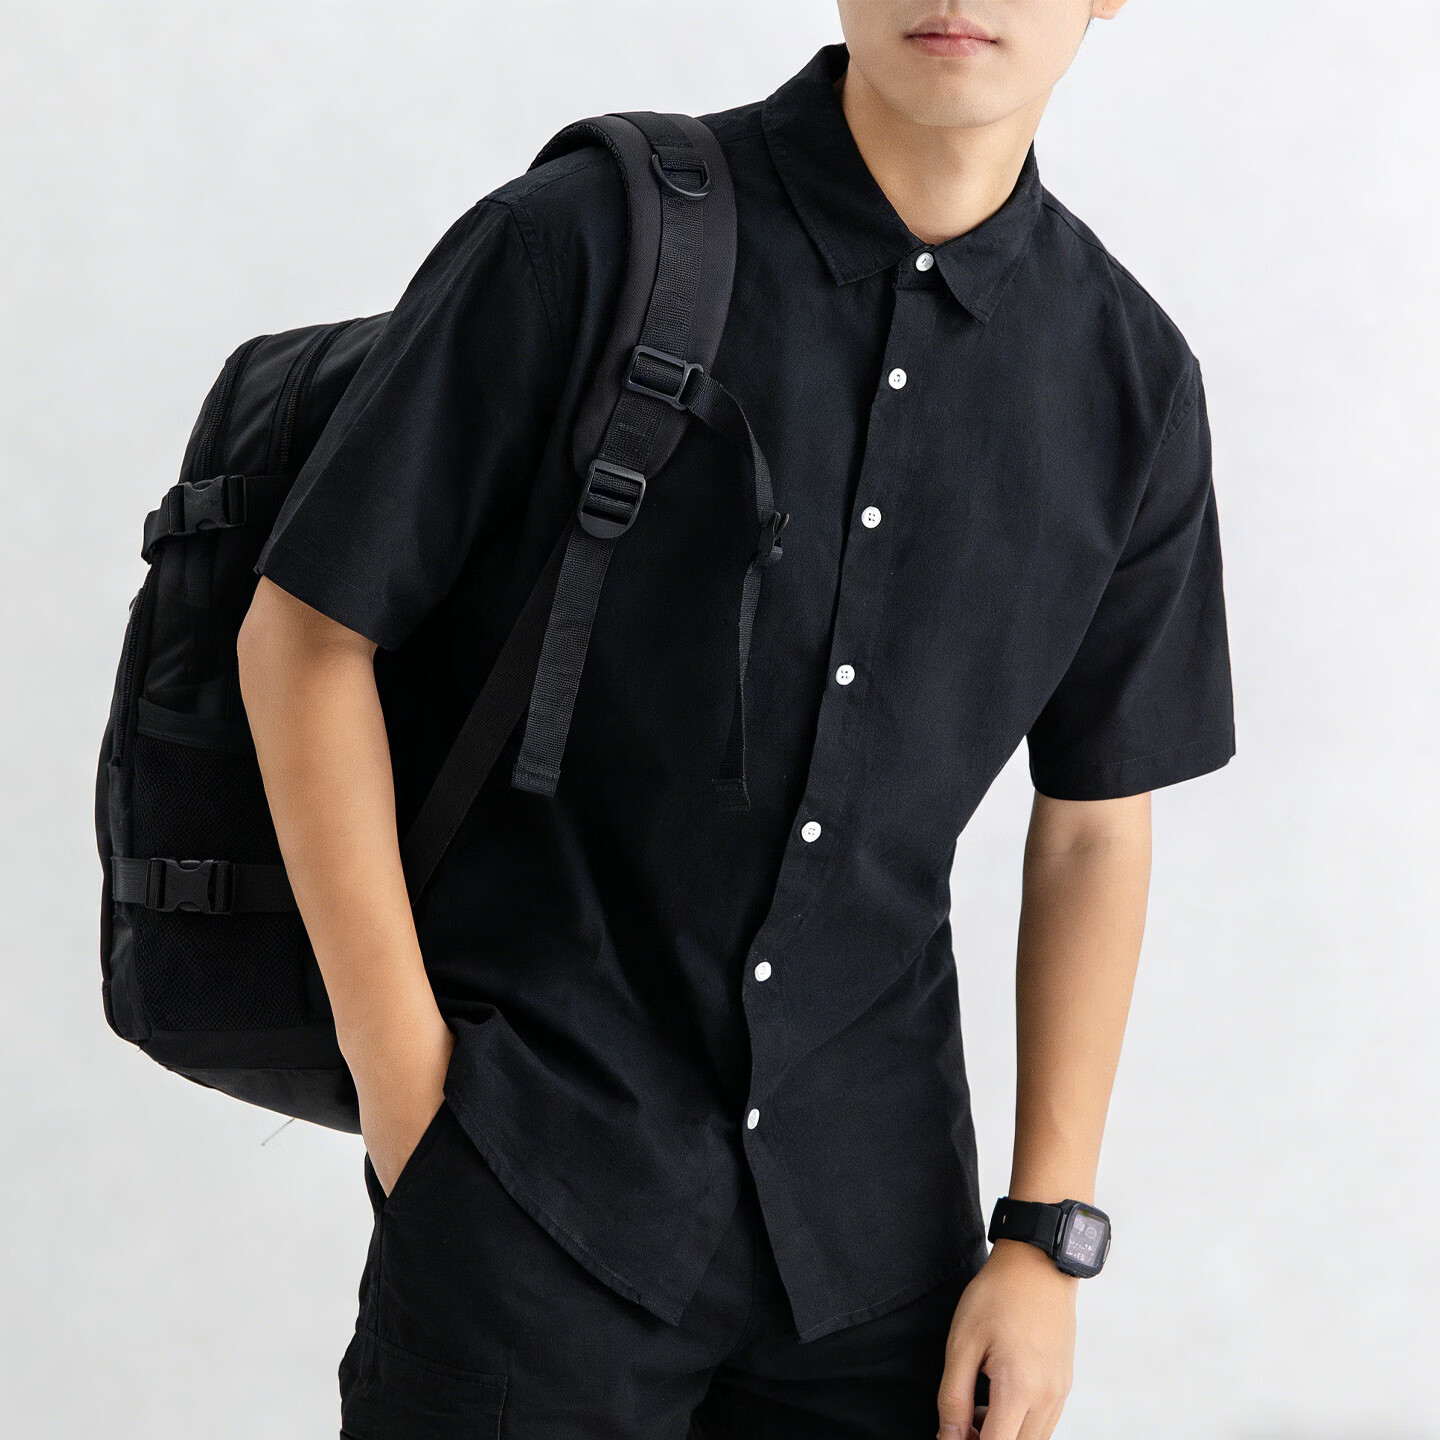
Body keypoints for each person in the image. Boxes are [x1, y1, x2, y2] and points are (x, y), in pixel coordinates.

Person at [236, 3, 1234, 1437]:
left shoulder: (1128, 382)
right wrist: (410, 1095)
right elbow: (307, 633)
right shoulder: (589, 238)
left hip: (881, 1257)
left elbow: (1091, 826)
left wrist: (1043, 1238)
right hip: (536, 1185)